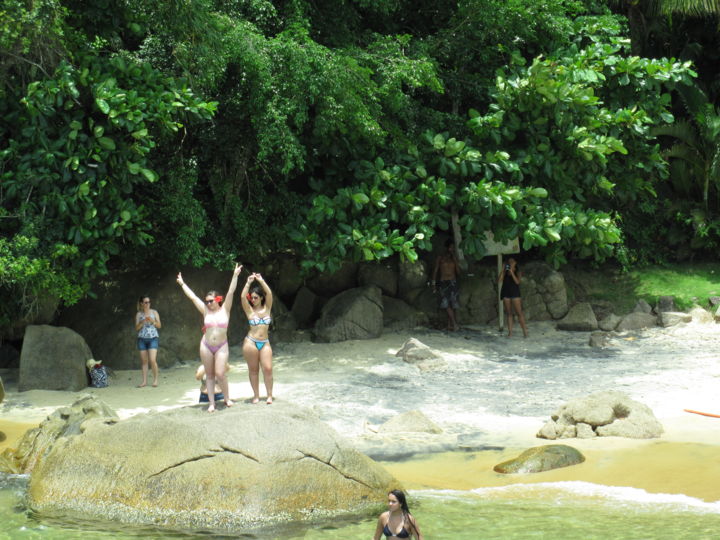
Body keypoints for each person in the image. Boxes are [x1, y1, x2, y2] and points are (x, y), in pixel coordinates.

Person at [177, 263, 242, 412]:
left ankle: (226, 398)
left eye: (211, 301)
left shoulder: (225, 309)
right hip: (206, 345)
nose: (208, 303)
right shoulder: (205, 311)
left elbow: (231, 292)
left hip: (221, 345)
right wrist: (182, 284)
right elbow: (193, 297)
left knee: (220, 373)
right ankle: (212, 403)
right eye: (207, 301)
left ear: (218, 300)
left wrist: (235, 275)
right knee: (210, 375)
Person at [241, 272, 274, 404]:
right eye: (252, 298)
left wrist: (261, 280)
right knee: (253, 370)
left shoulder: (267, 308)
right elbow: (243, 297)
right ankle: (256, 395)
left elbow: (269, 294)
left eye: (255, 298)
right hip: (251, 342)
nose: (253, 300)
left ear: (261, 298)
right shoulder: (249, 310)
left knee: (268, 368)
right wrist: (248, 282)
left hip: (265, 342)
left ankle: (269, 395)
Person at [432, 238, 460, 331]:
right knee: (446, 304)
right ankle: (455, 324)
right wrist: (433, 282)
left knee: (453, 304)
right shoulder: (440, 257)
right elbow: (436, 270)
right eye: (451, 247)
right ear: (447, 247)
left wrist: (455, 261)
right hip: (443, 282)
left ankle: (450, 325)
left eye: (453, 248)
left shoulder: (454, 258)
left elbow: (458, 272)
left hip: (453, 281)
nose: (452, 249)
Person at [498, 257, 528, 337]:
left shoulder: (518, 271)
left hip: (515, 293)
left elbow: (517, 282)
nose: (510, 262)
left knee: (519, 313)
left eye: (512, 261)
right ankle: (510, 332)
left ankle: (525, 331)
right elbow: (499, 280)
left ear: (515, 262)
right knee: (509, 313)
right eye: (509, 261)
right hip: (506, 293)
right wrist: (503, 269)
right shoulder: (505, 271)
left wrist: (511, 271)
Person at [135, 295, 161, 387]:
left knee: (153, 360)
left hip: (153, 338)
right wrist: (142, 322)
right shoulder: (139, 314)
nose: (148, 304)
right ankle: (144, 381)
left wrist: (152, 321)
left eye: (149, 302)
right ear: (142, 303)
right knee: (144, 361)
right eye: (146, 302)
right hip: (142, 339)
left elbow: (159, 325)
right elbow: (137, 328)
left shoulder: (154, 312)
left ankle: (155, 380)